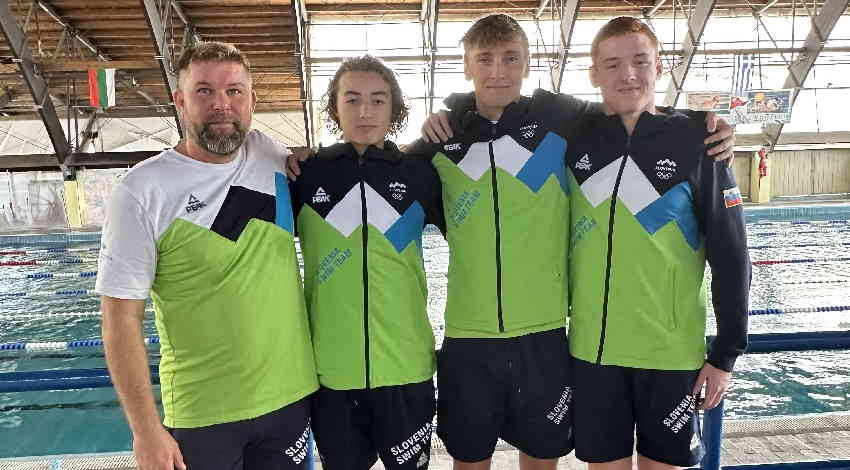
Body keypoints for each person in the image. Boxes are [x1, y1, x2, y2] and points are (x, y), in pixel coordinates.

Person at [414, 13, 737, 470]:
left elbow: (730, 254)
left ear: (528, 63)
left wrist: (706, 124)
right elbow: (389, 177)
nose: (498, 70)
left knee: (547, 457)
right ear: (466, 65)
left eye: (511, 58)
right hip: (488, 339)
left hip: (559, 338)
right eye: (484, 59)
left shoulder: (563, 120)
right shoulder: (445, 140)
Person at [96, 41, 317, 470]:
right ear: (179, 101)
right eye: (204, 91)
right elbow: (119, 318)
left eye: (234, 91)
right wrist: (145, 430)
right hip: (202, 414)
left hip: (290, 403)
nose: (221, 104)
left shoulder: (271, 156)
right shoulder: (142, 190)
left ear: (252, 101)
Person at [565, 16, 750, 470]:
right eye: (612, 64)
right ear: (593, 73)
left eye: (640, 61)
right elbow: (504, 103)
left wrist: (725, 355)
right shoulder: (574, 135)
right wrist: (449, 109)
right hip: (592, 353)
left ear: (660, 66)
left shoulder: (698, 142)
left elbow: (731, 255)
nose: (627, 74)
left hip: (670, 354)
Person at [289, 56, 445, 470]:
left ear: (394, 109)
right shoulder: (304, 176)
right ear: (334, 107)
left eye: (378, 100)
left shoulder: (420, 175)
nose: (365, 111)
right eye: (352, 99)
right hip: (331, 372)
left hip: (406, 367)